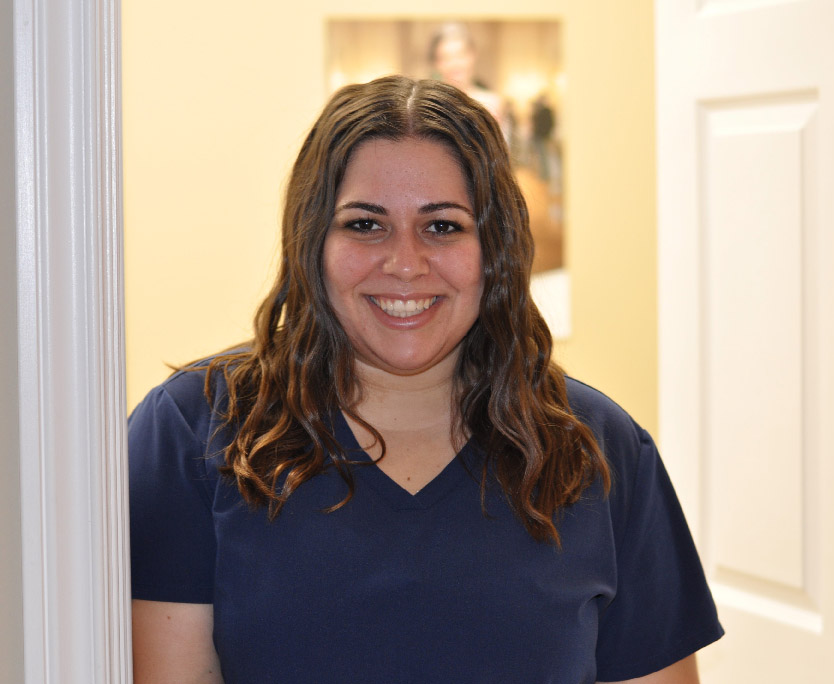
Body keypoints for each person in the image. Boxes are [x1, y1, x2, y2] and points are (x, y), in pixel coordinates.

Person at [129, 75, 723, 684]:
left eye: (443, 226)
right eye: (365, 224)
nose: (405, 263)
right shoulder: (191, 431)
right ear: (312, 242)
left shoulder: (599, 447)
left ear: (495, 247)